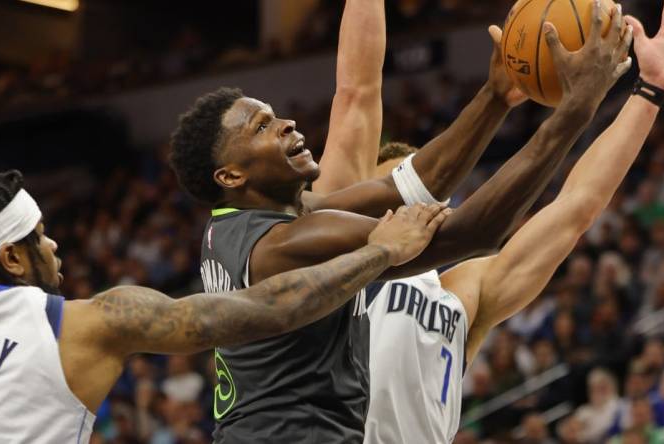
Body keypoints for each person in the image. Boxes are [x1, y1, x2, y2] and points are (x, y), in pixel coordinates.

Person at [169, 0, 632, 441]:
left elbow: (409, 184)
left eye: (275, 116)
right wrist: (575, 110)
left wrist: (494, 97)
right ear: (230, 174)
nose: (286, 124)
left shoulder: (248, 221)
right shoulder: (281, 245)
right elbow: (473, 233)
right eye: (262, 127)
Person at [310, 0, 664, 442]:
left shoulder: (465, 289)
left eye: (436, 193)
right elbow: (357, 92)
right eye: (403, 186)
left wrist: (650, 90)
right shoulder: (332, 249)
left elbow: (576, 206)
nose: (424, 202)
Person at [0, 170, 447, 443]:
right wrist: (380, 251)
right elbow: (271, 309)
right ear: (12, 257)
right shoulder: (81, 324)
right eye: (39, 236)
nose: (54, 243)